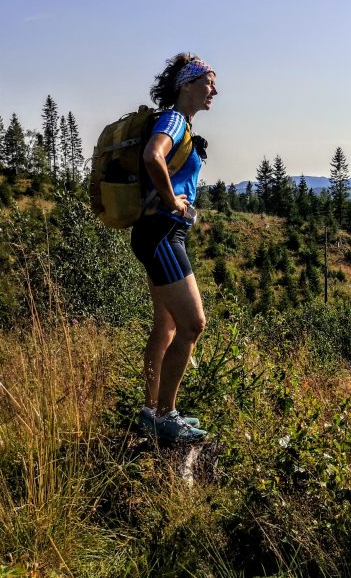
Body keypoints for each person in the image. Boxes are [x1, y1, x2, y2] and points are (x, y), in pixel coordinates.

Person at [130, 52, 218, 445]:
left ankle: (152, 410)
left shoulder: (181, 123)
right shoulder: (175, 120)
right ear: (186, 85)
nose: (213, 89)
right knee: (193, 324)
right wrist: (171, 200)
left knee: (165, 326)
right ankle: (166, 415)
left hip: (158, 233)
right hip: (163, 232)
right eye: (207, 81)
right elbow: (153, 156)